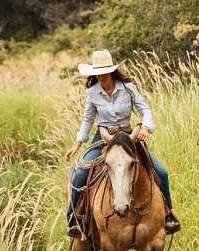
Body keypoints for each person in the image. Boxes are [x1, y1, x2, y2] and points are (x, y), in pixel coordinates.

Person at [66, 49, 181, 238]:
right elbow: (88, 119)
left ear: (111, 71)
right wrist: (78, 143)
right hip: (103, 137)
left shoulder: (127, 87)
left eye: (104, 71)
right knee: (80, 174)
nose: (101, 76)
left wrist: (145, 127)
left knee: (161, 172)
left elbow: (145, 110)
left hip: (128, 136)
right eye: (97, 73)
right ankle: (74, 219)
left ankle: (168, 215)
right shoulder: (92, 92)